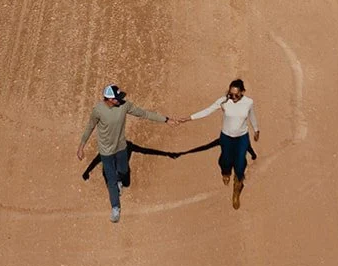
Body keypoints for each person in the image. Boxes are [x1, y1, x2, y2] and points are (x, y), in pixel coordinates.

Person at [77, 85, 172, 223]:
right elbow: (90, 127)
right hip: (106, 151)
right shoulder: (98, 110)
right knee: (111, 180)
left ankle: (119, 180)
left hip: (121, 147)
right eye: (117, 98)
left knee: (123, 170)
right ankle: (115, 207)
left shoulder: (124, 105)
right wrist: (81, 147)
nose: (120, 100)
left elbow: (144, 113)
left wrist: (166, 119)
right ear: (109, 99)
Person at [179, 78, 259, 209]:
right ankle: (226, 172)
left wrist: (256, 129)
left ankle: (236, 189)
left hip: (241, 138)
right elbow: (207, 110)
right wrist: (189, 118)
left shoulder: (248, 102)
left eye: (236, 95)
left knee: (240, 164)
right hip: (226, 137)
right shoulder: (224, 101)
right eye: (231, 94)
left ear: (243, 92)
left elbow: (251, 116)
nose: (233, 97)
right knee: (225, 160)